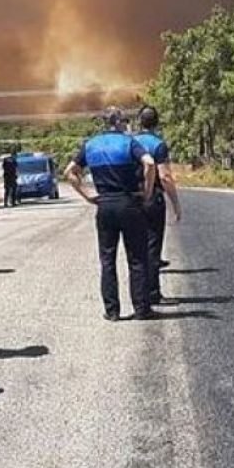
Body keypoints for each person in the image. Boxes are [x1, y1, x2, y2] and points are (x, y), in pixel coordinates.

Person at [64, 106, 156, 321]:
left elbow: (69, 172)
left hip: (104, 205)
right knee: (137, 258)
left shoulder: (90, 145)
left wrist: (87, 195)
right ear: (120, 122)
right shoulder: (129, 142)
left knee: (107, 259)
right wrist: (148, 192)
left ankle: (112, 311)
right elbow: (149, 163)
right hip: (129, 202)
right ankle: (142, 309)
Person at [134, 105, 182, 305]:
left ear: (139, 122)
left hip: (134, 198)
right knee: (153, 246)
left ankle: (139, 293)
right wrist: (176, 204)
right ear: (157, 122)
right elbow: (165, 177)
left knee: (137, 247)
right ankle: (153, 293)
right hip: (153, 197)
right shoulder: (158, 145)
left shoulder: (132, 142)